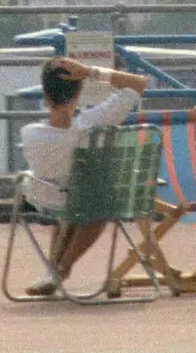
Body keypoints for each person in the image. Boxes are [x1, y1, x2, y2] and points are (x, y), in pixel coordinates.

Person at [17, 56, 149, 297]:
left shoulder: (29, 134)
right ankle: (62, 269)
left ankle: (54, 271)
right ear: (77, 95)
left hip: (51, 203)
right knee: (92, 204)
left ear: (46, 97)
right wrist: (90, 71)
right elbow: (139, 83)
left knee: (69, 199)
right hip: (90, 203)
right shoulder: (95, 122)